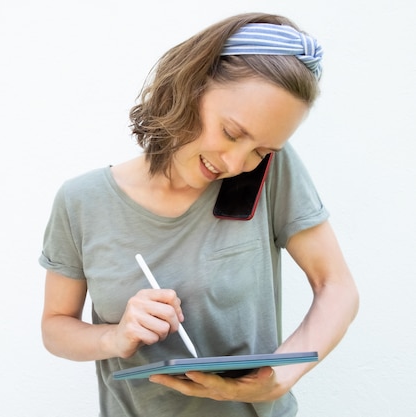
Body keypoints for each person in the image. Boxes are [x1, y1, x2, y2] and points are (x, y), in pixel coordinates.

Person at [38, 11, 359, 417]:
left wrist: (283, 374)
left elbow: (338, 287)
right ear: (192, 87)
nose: (237, 163)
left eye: (261, 150)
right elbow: (55, 326)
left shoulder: (268, 175)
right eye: (231, 133)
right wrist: (115, 338)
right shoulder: (81, 201)